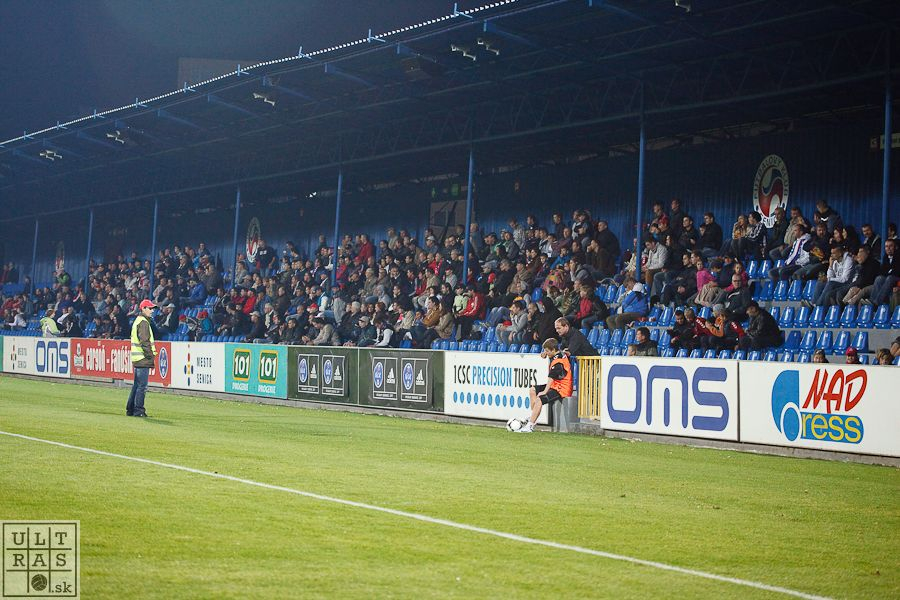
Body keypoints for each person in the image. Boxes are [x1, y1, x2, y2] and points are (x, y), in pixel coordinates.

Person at [517, 338, 573, 433]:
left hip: (562, 388)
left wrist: (544, 391)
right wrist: (546, 354)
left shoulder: (558, 362)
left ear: (553, 350)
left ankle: (530, 425)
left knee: (540, 399)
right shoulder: (558, 354)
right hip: (555, 384)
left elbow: (551, 378)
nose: (545, 352)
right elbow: (561, 353)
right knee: (532, 390)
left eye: (547, 351)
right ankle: (533, 417)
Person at [127, 300, 157, 418]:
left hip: (138, 358)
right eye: (150, 308)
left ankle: (130, 409)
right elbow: (145, 341)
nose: (152, 311)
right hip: (143, 358)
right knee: (142, 386)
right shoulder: (143, 323)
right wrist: (150, 356)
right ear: (143, 308)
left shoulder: (138, 321)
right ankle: (138, 410)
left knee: (137, 385)